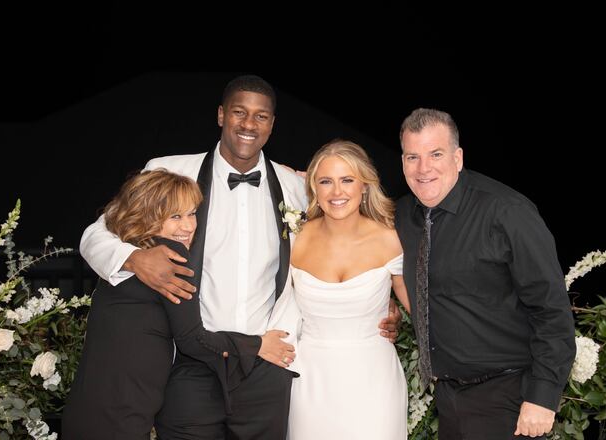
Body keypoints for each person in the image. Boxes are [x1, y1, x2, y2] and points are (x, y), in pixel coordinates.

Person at [79, 75, 401, 439]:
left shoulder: (297, 188)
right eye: (239, 112)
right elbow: (95, 235)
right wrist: (133, 258)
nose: (249, 124)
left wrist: (377, 302)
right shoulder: (170, 171)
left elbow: (339, 243)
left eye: (261, 116)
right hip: (192, 363)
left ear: (272, 124)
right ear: (221, 115)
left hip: (266, 364)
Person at [62, 169, 290, 439]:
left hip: (88, 405)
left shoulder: (126, 254)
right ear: (148, 215)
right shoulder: (170, 256)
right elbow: (193, 341)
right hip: (123, 412)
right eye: (175, 216)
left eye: (192, 213)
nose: (188, 226)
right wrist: (258, 344)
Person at [394, 108, 576, 439]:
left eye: (436, 154)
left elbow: (551, 310)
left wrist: (543, 397)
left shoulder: (507, 212)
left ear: (458, 157)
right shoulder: (404, 214)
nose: (423, 169)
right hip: (449, 398)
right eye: (412, 157)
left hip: (508, 396)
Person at [286, 139, 410, 439]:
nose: (337, 192)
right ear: (313, 187)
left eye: (347, 180)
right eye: (326, 181)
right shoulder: (294, 239)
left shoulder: (391, 239)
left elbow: (423, 310)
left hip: (374, 382)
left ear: (364, 185)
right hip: (309, 381)